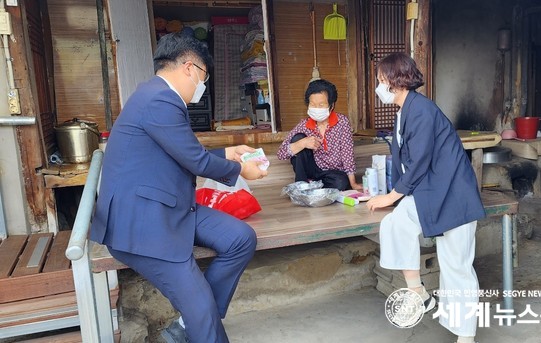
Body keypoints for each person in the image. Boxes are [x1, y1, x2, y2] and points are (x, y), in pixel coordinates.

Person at [90, 32, 267, 343]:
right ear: (189, 68)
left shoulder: (154, 94)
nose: (201, 87)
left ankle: (188, 324)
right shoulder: (160, 99)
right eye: (203, 78)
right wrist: (241, 169)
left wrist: (227, 152)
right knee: (202, 307)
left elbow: (181, 152)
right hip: (143, 223)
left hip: (170, 207)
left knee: (240, 238)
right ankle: (198, 319)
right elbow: (194, 160)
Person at [366, 52, 485, 343]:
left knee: (456, 265)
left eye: (382, 80)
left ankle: (466, 336)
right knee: (396, 224)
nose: (379, 87)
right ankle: (418, 292)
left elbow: (419, 161)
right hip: (429, 192)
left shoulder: (421, 110)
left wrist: (391, 196)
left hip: (453, 194)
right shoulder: (404, 112)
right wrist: (393, 196)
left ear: (396, 81)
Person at [277, 79, 362, 191]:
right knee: (298, 138)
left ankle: (312, 186)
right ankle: (301, 185)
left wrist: (353, 183)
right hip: (311, 170)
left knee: (341, 182)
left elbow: (347, 154)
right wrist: (302, 143)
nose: (316, 108)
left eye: (321, 105)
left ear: (331, 106)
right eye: (312, 104)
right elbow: (281, 153)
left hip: (331, 173)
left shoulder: (342, 122)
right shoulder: (304, 125)